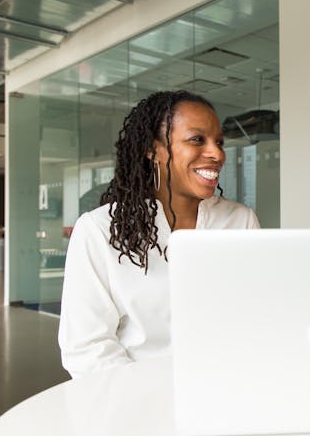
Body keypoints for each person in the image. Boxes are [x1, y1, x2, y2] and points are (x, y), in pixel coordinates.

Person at [59, 90, 260, 378]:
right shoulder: (99, 230)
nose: (217, 153)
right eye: (197, 139)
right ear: (153, 150)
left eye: (219, 142)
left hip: (225, 388)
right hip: (134, 400)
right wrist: (151, 396)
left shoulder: (239, 220)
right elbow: (87, 348)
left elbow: (253, 318)